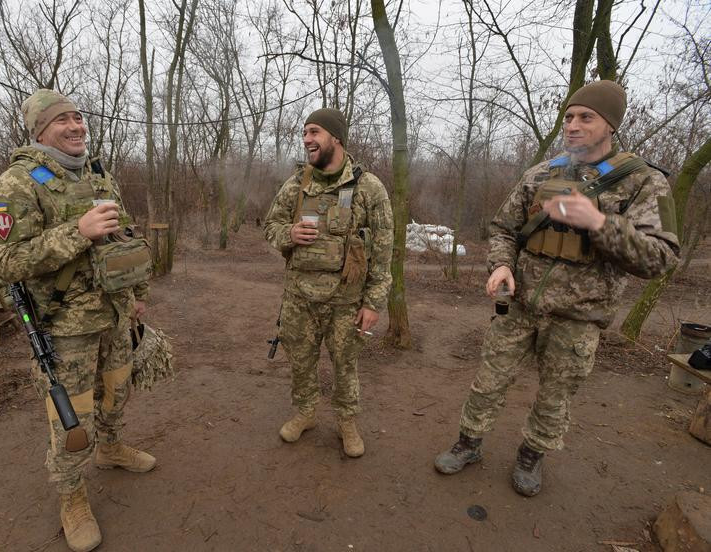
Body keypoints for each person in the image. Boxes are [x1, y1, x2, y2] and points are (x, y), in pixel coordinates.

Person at [434, 80, 680, 496]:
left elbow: (661, 258)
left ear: (611, 125)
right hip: (519, 306)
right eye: (568, 117)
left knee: (555, 396)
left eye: (586, 117)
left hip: (578, 317)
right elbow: (503, 228)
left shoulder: (642, 182)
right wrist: (501, 265)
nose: (573, 125)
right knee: (488, 381)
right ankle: (468, 443)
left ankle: (532, 455)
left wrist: (600, 223)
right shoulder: (541, 174)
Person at [0, 89, 155, 552]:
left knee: (117, 390)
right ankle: (72, 495)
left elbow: (125, 235)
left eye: (78, 117)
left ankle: (111, 448)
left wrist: (138, 295)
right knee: (71, 418)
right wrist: (76, 232)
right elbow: (5, 263)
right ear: (40, 130)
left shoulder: (99, 175)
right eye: (63, 120)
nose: (76, 126)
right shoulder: (14, 185)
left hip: (115, 314)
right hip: (64, 327)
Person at [264, 108, 394, 458]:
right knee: (301, 360)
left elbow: (384, 253)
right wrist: (289, 234)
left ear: (336, 137)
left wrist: (373, 304)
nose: (306, 139)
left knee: (345, 365)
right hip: (299, 299)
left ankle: (346, 422)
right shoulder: (297, 184)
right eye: (304, 133)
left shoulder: (368, 188)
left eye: (314, 132)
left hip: (345, 303)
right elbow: (270, 227)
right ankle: (305, 413)